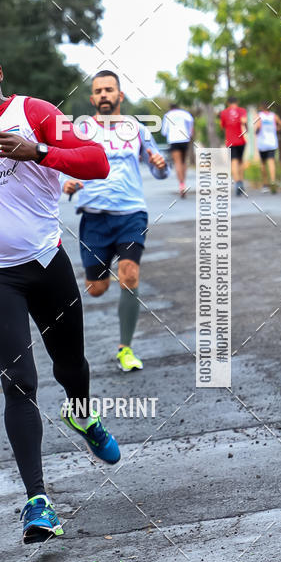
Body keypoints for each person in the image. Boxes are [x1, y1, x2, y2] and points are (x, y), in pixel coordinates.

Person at [0, 43, 121, 545]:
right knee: (18, 380)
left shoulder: (35, 113)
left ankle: (82, 415)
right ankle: (38, 503)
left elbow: (96, 161)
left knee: (71, 366)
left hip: (46, 263)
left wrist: (37, 150)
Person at [62, 70, 168, 372]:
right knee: (96, 288)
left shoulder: (135, 128)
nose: (104, 94)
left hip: (131, 214)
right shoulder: (80, 130)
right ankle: (102, 275)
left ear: (120, 95)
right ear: (93, 98)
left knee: (130, 274)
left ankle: (126, 349)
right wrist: (68, 184)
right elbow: (66, 168)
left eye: (110, 89)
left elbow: (159, 169)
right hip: (94, 219)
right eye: (99, 90)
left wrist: (160, 166)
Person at [161, 103, 194, 196]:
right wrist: (189, 134)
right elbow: (191, 124)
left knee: (177, 162)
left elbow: (164, 132)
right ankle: (184, 182)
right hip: (184, 139)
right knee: (184, 162)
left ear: (170, 108)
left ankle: (181, 185)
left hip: (174, 140)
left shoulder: (167, 115)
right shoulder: (184, 113)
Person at [219, 96, 248, 195]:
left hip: (230, 141)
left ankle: (238, 183)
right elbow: (244, 121)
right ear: (237, 102)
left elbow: (222, 126)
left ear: (228, 103)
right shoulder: (242, 110)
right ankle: (241, 182)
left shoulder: (223, 113)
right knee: (240, 161)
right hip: (241, 140)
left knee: (233, 161)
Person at [254, 105, 281, 194]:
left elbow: (258, 126)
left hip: (262, 143)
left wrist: (256, 132)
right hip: (272, 142)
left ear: (261, 107)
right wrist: (277, 129)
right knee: (271, 161)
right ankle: (273, 182)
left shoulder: (259, 115)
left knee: (263, 163)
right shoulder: (274, 116)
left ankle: (265, 184)